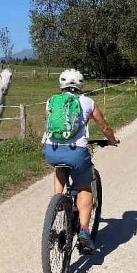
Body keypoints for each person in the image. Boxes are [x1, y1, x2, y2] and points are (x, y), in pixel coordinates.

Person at [43, 68, 120, 253]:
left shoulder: (51, 101)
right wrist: (112, 140)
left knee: (60, 167)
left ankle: (58, 201)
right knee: (84, 187)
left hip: (51, 150)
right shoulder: (87, 102)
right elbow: (104, 126)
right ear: (80, 84)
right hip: (76, 153)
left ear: (61, 84)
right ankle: (85, 231)